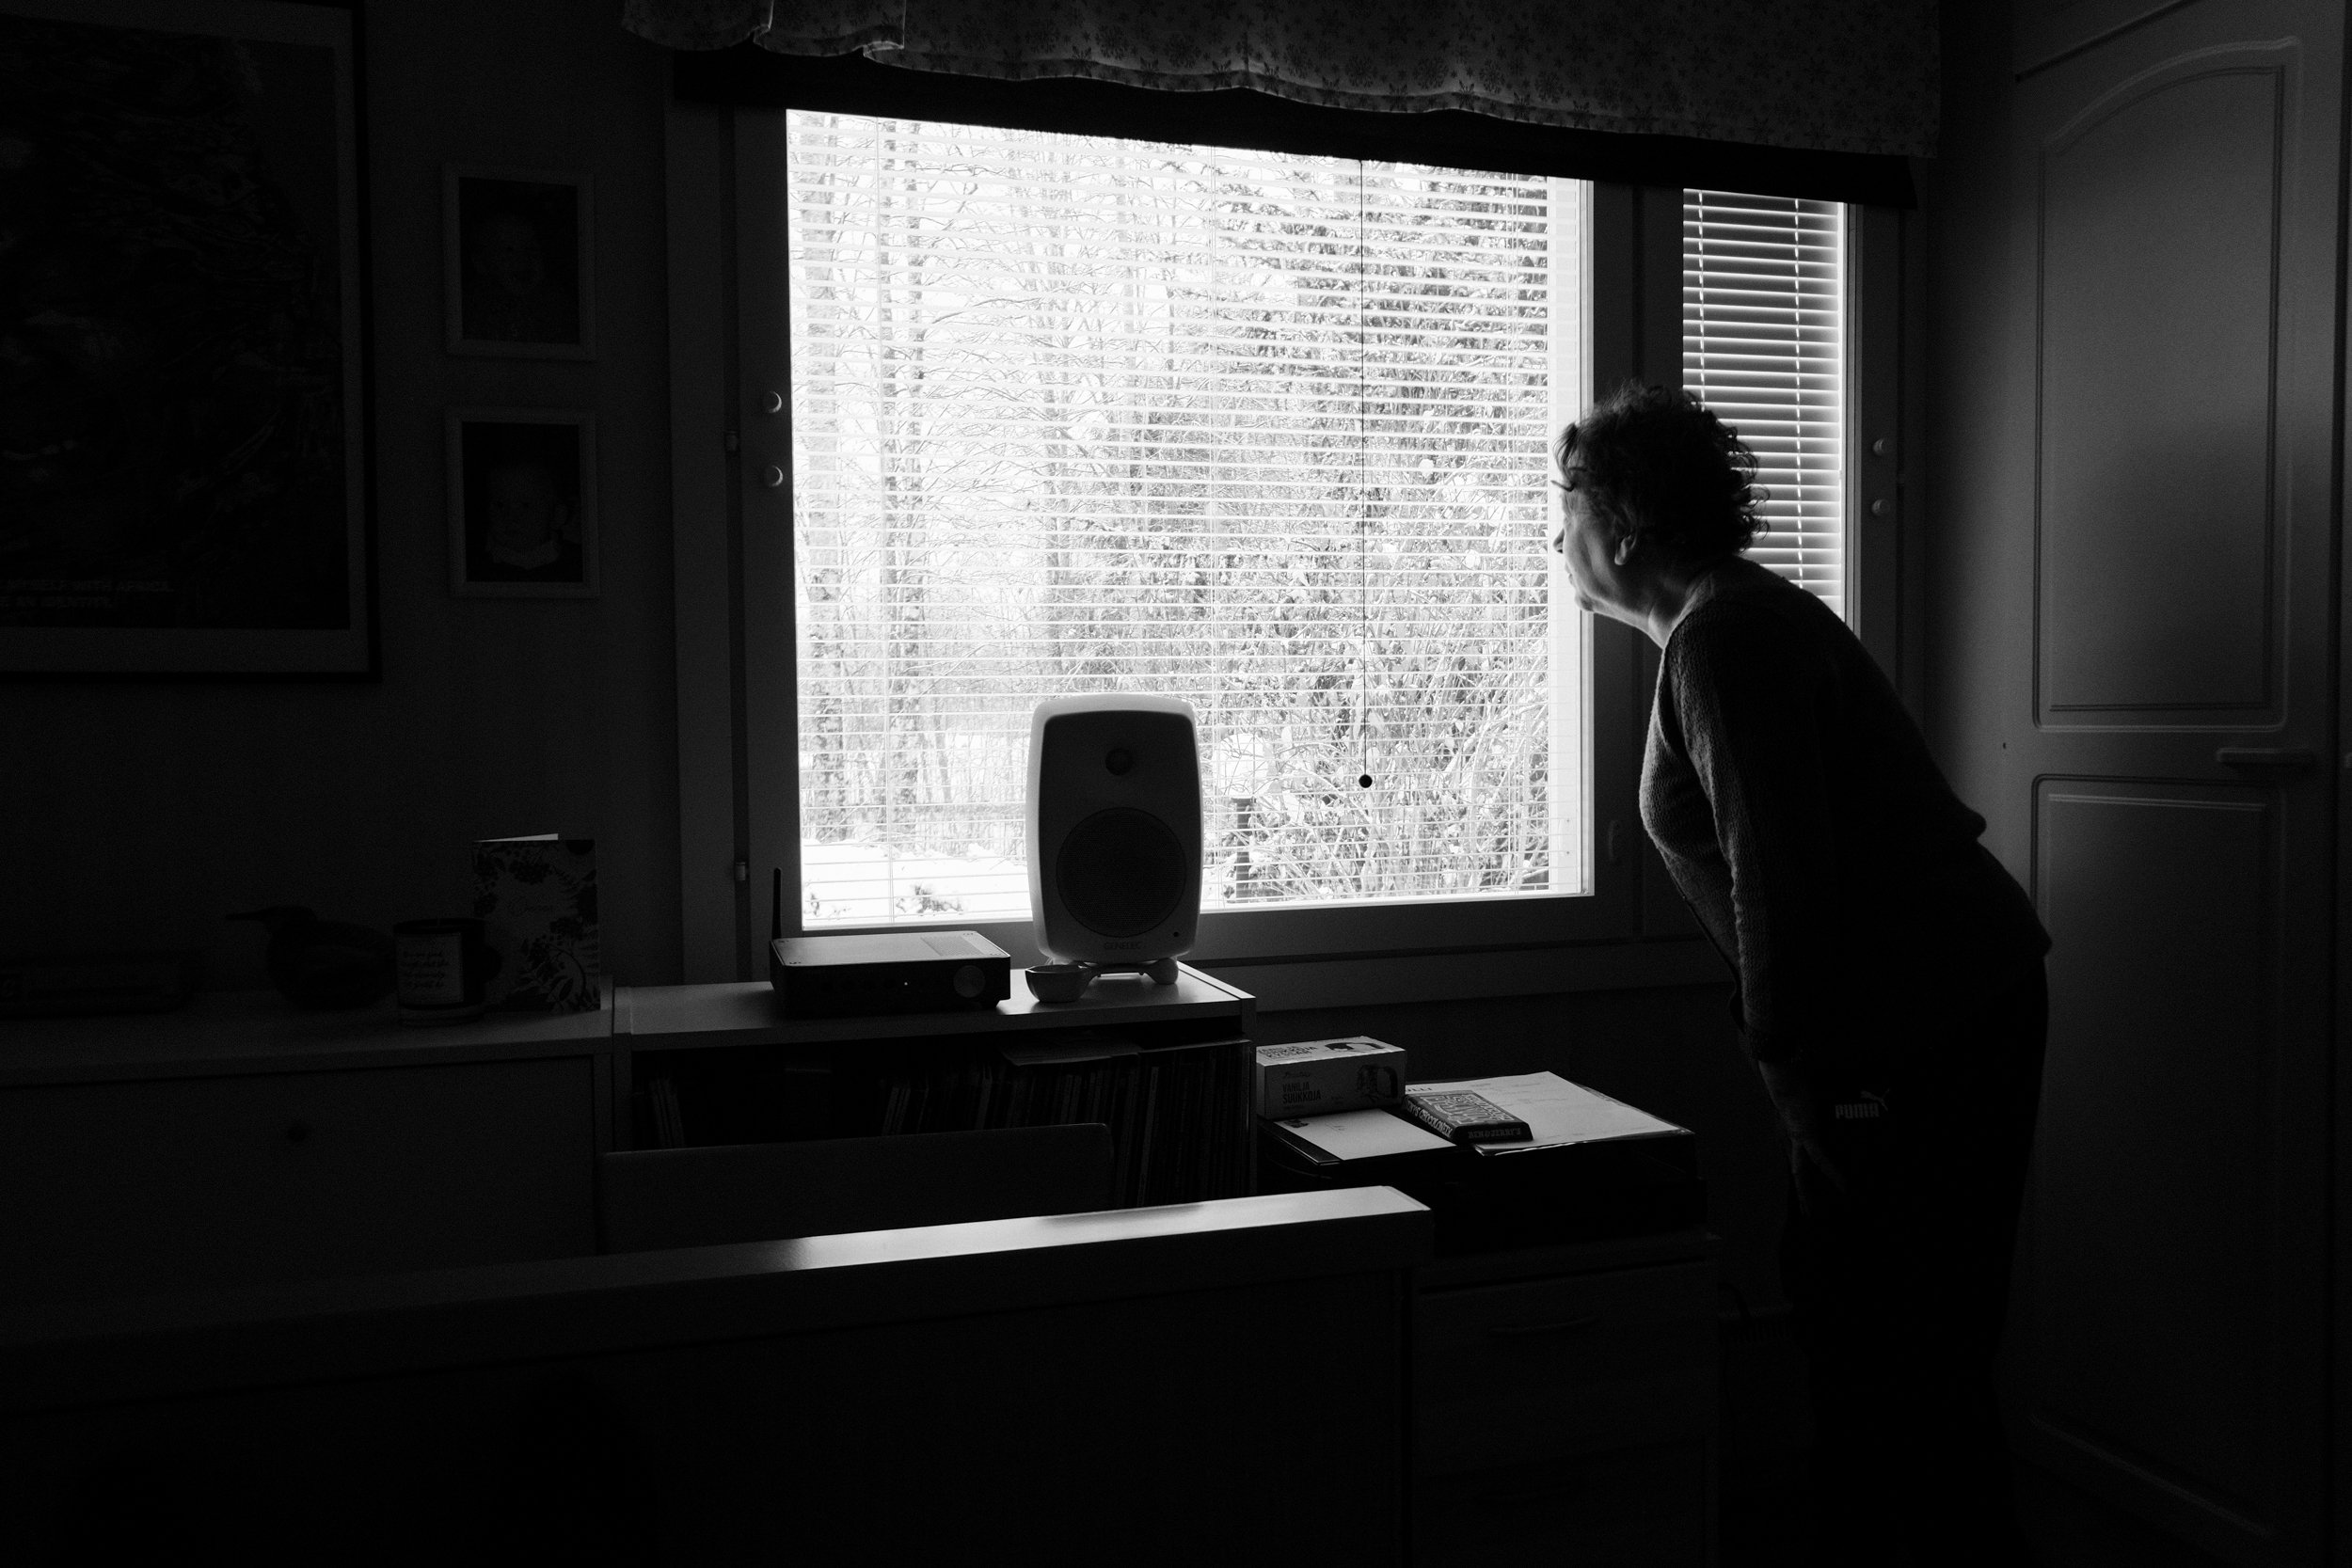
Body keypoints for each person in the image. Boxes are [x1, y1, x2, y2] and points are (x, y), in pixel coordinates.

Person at [1552, 383, 2051, 1567]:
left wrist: (1801, 1083)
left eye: (1560, 508)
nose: (1552, 538)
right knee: (1882, 1334)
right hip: (1912, 1012)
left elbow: (1783, 884)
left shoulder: (1725, 639)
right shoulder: (1724, 626)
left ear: (1622, 526)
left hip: (1923, 1022)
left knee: (1889, 1346)